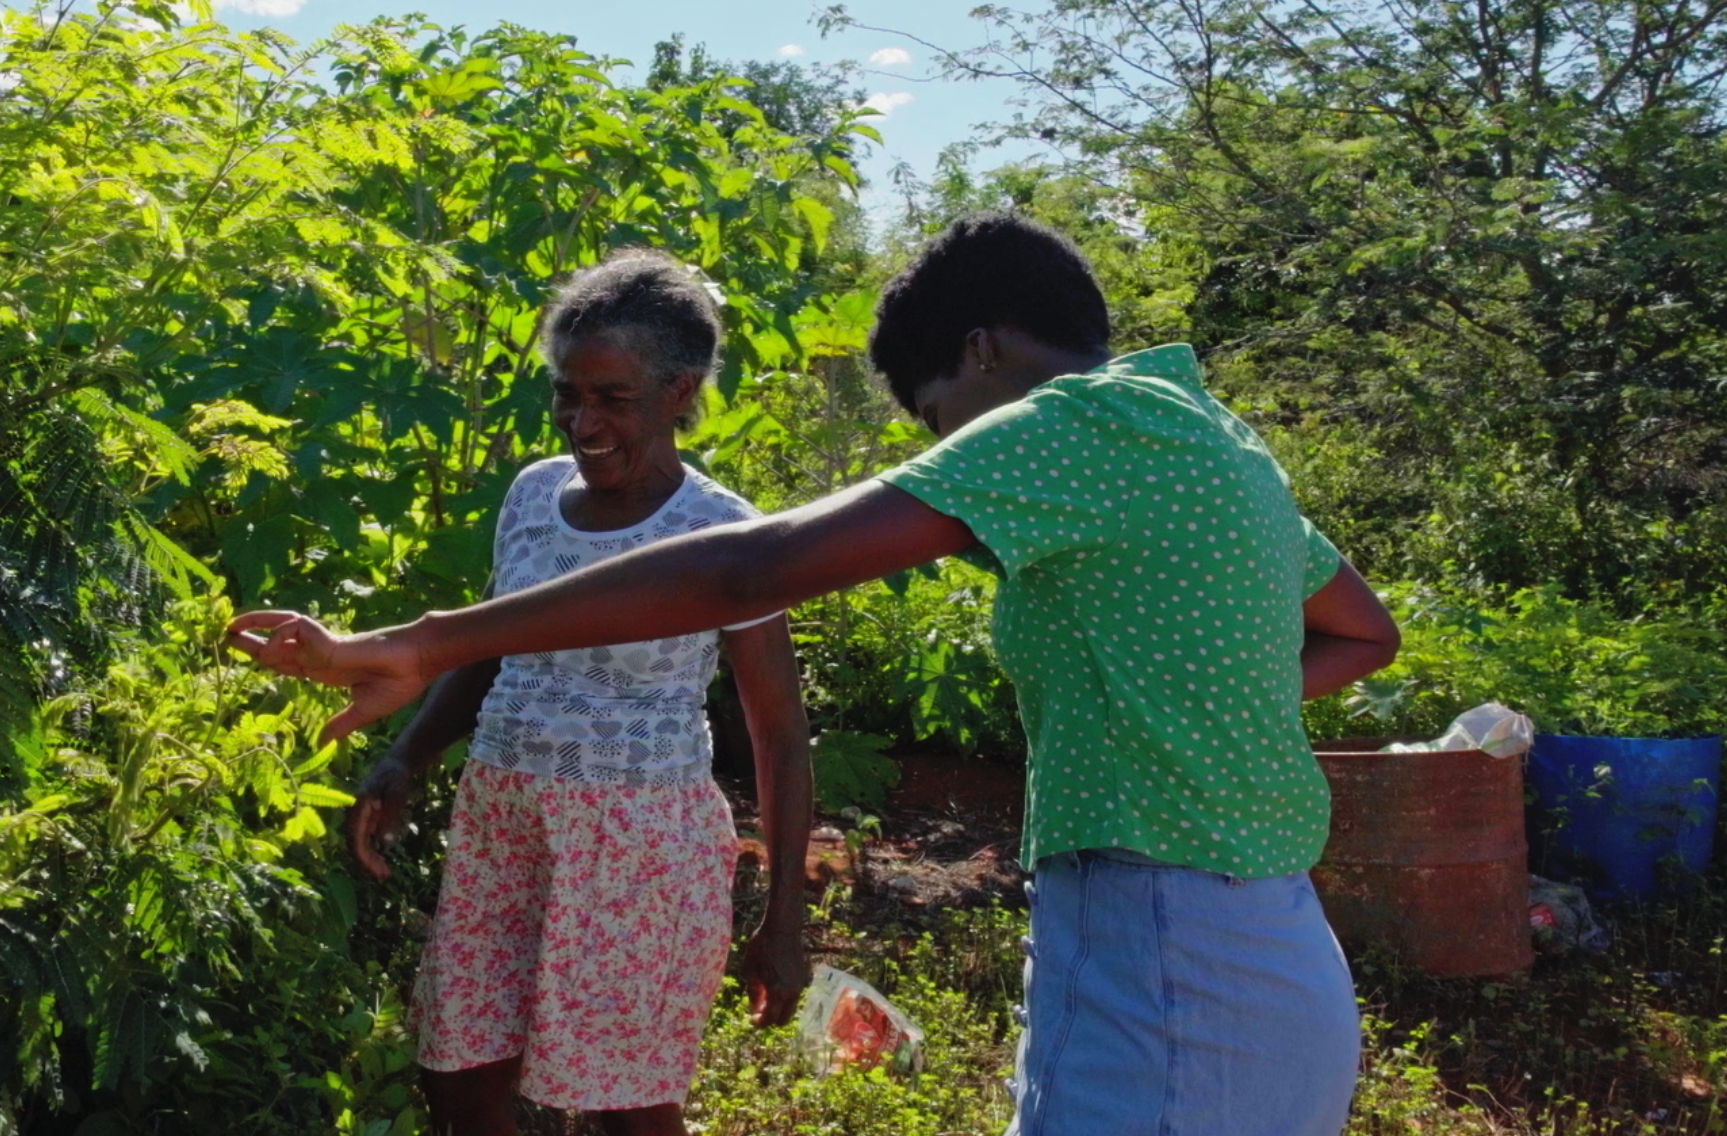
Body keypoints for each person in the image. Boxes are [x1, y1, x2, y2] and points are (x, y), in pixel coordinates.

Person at [230, 214, 1400, 1136]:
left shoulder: (1066, 425)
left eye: (938, 416)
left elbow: (755, 567)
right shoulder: (1205, 435)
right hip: (1255, 935)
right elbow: (1361, 632)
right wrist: (1174, 711)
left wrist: (424, 637)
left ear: (980, 351)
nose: (952, 455)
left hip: (1164, 938)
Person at [328, 250, 813, 1136]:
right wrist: (410, 752)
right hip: (502, 826)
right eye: (567, 394)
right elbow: (492, 643)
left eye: (612, 399)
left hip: (636, 848)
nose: (581, 422)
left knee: (623, 1103)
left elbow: (777, 734)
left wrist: (784, 921)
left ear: (681, 391)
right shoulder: (533, 494)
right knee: (459, 1074)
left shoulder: (724, 532)